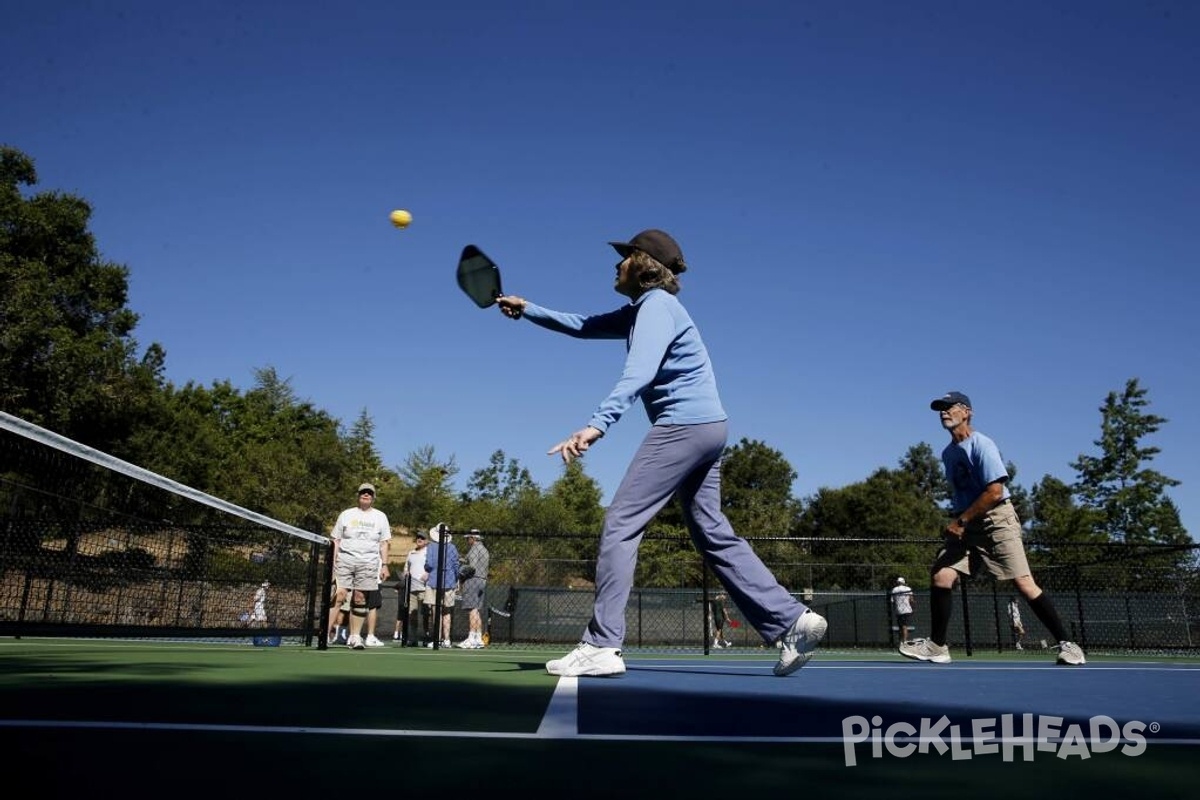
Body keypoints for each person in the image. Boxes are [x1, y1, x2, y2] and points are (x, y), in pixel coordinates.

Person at [496, 228, 827, 678]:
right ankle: (792, 619)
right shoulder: (643, 312)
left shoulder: (655, 307)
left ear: (644, 265)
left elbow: (639, 372)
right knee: (711, 530)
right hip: (711, 427)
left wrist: (597, 424)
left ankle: (601, 644)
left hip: (684, 426)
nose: (615, 265)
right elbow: (583, 325)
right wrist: (528, 308)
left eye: (624, 256)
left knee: (620, 523)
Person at [899, 392, 1086, 666]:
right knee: (941, 575)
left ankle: (1069, 645)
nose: (943, 413)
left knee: (1023, 583)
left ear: (967, 412)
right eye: (940, 409)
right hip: (967, 523)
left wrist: (961, 521)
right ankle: (937, 646)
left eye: (949, 408)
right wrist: (960, 520)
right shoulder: (948, 453)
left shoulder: (982, 445)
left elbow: (995, 492)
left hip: (996, 519)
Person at [327, 482, 392, 650]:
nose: (366, 495)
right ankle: (324, 633)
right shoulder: (346, 514)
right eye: (363, 492)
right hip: (345, 561)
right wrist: (332, 563)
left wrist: (384, 565)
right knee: (339, 595)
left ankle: (355, 637)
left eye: (369, 493)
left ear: (373, 497)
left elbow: (384, 543)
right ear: (358, 495)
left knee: (360, 598)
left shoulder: (380, 517)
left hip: (368, 563)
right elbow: (336, 540)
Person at [423, 523, 461, 649]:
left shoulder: (431, 547)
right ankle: (447, 639)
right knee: (447, 611)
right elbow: (456, 566)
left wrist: (428, 570)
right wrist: (456, 580)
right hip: (449, 582)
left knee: (435, 611)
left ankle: (436, 639)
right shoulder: (452, 548)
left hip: (434, 581)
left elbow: (429, 564)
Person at [456, 530, 490, 649]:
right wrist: (464, 560)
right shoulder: (485, 549)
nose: (467, 540)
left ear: (473, 538)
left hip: (473, 579)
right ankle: (478, 638)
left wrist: (461, 572)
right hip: (482, 580)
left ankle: (471, 638)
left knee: (471, 609)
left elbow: (472, 567)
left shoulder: (475, 548)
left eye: (468, 538)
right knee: (476, 609)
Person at [395, 529, 429, 645]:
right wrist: (406, 573)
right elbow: (406, 568)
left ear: (427, 541)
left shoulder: (429, 553)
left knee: (426, 615)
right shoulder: (411, 553)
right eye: (418, 537)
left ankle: (426, 637)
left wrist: (428, 574)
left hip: (425, 588)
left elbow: (433, 568)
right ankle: (413, 638)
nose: (419, 539)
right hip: (411, 589)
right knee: (412, 614)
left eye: (422, 538)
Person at [891, 577, 914, 642]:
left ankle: (901, 641)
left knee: (901, 626)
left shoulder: (894, 590)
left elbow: (893, 601)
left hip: (898, 610)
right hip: (907, 610)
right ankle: (905, 641)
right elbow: (911, 600)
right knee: (905, 626)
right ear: (903, 582)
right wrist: (912, 607)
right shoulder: (908, 589)